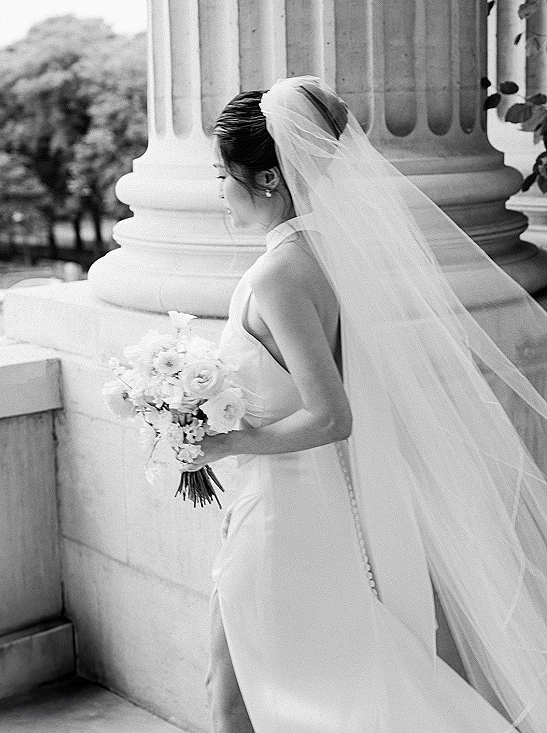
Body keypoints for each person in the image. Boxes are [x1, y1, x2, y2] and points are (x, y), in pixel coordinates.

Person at [189, 76, 547, 733]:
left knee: (239, 694)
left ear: (268, 178)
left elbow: (332, 414)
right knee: (271, 684)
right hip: (299, 508)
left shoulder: (277, 274)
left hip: (284, 518)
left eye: (223, 172)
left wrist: (226, 442)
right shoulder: (323, 254)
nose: (218, 190)